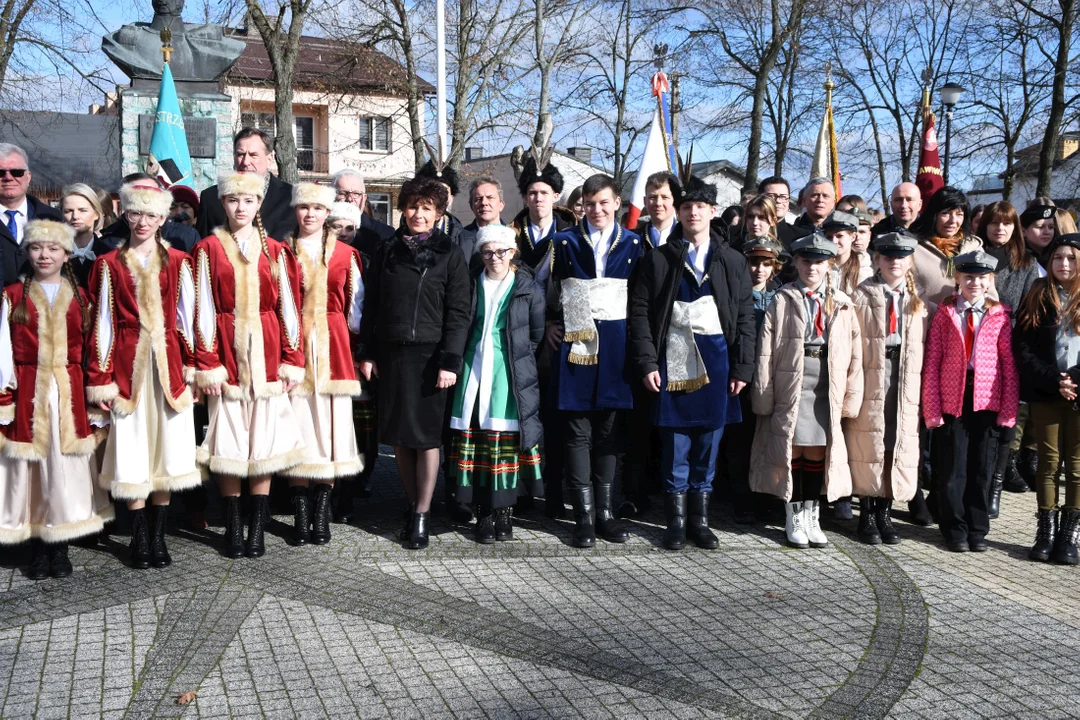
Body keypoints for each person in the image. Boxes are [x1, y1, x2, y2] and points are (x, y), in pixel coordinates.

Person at [629, 175, 755, 550]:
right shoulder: (659, 259)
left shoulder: (732, 260)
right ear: (678, 212)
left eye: (700, 206)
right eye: (687, 207)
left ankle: (700, 520)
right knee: (676, 445)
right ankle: (676, 522)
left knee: (708, 444)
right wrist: (647, 362)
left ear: (713, 212)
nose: (693, 212)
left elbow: (745, 316)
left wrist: (742, 368)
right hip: (673, 360)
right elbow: (639, 313)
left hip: (717, 362)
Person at [192, 172, 308, 559]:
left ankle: (256, 526)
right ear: (223, 204)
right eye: (232, 201)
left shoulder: (276, 251)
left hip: (268, 353)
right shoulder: (207, 248)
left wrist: (293, 360)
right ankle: (232, 525)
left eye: (247, 201)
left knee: (264, 442)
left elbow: (289, 308)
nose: (239, 207)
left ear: (258, 204)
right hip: (226, 354)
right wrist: (208, 362)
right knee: (227, 441)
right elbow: (201, 308)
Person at [86, 182, 200, 570]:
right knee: (132, 447)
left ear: (164, 218)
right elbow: (101, 323)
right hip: (126, 366)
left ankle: (158, 533)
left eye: (151, 215)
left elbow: (190, 320)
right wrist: (99, 376)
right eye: (136, 213)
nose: (143, 222)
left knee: (166, 446)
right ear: (125, 214)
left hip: (168, 367)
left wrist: (195, 370)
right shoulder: (109, 264)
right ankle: (138, 534)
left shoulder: (180, 261)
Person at [357, 176, 471, 550]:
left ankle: (422, 512)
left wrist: (450, 361)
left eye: (427, 208)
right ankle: (411, 504)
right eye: (412, 206)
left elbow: (458, 312)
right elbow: (371, 305)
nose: (418, 214)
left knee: (425, 438)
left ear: (438, 214)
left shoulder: (449, 253)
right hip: (392, 355)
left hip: (431, 357)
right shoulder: (387, 249)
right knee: (400, 438)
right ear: (402, 208)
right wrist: (370, 353)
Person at [0, 220, 111, 579]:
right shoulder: (12, 296)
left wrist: (96, 392)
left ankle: (60, 544)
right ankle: (36, 544)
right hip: (30, 390)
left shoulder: (82, 298)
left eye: (53, 248)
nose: (44, 255)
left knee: (64, 466)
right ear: (27, 252)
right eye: (36, 248)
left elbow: (95, 348)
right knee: (32, 468)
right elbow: (2, 351)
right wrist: (5, 394)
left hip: (69, 392)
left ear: (66, 255)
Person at [750, 232, 863, 549]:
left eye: (819, 262)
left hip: (826, 385)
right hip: (793, 384)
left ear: (829, 264)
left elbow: (855, 354)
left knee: (817, 450)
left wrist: (850, 397)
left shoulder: (841, 303)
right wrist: (764, 393)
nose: (812, 267)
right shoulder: (783, 299)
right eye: (806, 261)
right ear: (796, 263)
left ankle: (813, 514)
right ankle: (793, 515)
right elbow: (765, 352)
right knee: (793, 449)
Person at [551, 173, 645, 548]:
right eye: (590, 204)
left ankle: (606, 513)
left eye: (604, 202)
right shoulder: (564, 242)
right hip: (575, 343)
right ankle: (583, 516)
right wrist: (547, 324)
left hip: (616, 346)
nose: (597, 210)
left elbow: (641, 300)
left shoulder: (636, 244)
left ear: (617, 203)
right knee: (577, 430)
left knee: (609, 429)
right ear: (581, 206)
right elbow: (550, 288)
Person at [279, 183, 365, 545]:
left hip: (333, 348)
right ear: (296, 211)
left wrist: (358, 352)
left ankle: (322, 512)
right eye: (304, 207)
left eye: (317, 207)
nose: (310, 214)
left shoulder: (347, 254)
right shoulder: (281, 252)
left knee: (330, 430)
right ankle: (300, 512)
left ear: (327, 212)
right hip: (294, 345)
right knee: (298, 429)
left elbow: (357, 309)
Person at [448, 226, 544, 542]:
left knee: (503, 438)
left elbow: (535, 333)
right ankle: (484, 513)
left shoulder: (527, 286)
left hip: (509, 372)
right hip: (473, 369)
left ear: (512, 252)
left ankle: (504, 512)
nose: (494, 258)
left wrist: (514, 360)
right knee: (478, 440)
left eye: (501, 251)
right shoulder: (473, 283)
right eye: (488, 252)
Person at [923, 249, 1018, 553]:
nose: (974, 282)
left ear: (991, 280)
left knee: (982, 466)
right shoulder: (945, 313)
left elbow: (1008, 364)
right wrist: (932, 406)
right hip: (954, 395)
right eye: (968, 277)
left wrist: (1008, 410)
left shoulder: (1001, 314)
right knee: (953, 466)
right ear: (958, 279)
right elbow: (933, 362)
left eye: (981, 277)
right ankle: (954, 528)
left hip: (988, 397)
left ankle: (978, 528)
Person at [848, 233, 928, 545]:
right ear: (878, 260)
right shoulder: (862, 294)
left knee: (896, 442)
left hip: (903, 377)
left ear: (909, 261)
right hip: (872, 374)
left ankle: (885, 510)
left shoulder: (917, 299)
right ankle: (866, 512)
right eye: (888, 256)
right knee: (871, 442)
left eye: (901, 256)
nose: (895, 262)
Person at [510, 155, 576, 518]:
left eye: (544, 192)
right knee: (523, 413)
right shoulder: (511, 234)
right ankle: (522, 489)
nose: (538, 199)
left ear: (556, 195)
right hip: (521, 336)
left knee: (554, 416)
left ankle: (553, 491)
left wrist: (556, 322)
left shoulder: (570, 234)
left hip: (556, 338)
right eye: (532, 192)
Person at [1015, 234, 1080, 564]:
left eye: (1071, 257)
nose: (1064, 264)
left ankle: (1069, 535)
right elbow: (1024, 348)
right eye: (1057, 258)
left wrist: (1076, 380)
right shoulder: (1039, 294)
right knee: (1049, 464)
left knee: (1078, 468)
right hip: (1047, 392)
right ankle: (1046, 532)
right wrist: (1056, 380)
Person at [977, 201, 1043, 503]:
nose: (999, 228)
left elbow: (1031, 314)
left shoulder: (1026, 264)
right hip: (973, 350)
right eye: (994, 222)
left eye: (1006, 223)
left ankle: (994, 489)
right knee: (977, 422)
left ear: (1015, 227)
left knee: (1005, 423)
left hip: (1009, 351)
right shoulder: (972, 258)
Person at [722, 236, 781, 523]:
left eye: (766, 263)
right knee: (740, 441)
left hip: (771, 379)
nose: (759, 269)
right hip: (742, 375)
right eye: (753, 262)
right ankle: (741, 497)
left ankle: (767, 497)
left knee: (769, 440)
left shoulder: (781, 297)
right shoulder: (733, 293)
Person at [327, 200, 379, 507]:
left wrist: (365, 351)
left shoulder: (362, 260)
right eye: (337, 227)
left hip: (354, 351)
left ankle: (351, 489)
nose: (344, 233)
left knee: (358, 428)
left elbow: (365, 310)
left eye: (350, 228)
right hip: (328, 349)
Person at [195, 128, 297, 241]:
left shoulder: (291, 198)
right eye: (240, 154)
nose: (245, 162)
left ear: (270, 159)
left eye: (253, 155)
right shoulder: (211, 197)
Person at [0, 143, 63, 287]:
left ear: (28, 177)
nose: (8, 178)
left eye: (17, 172)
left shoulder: (55, 219)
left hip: (42, 306)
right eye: (0, 172)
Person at [911, 186, 982, 305]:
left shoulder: (974, 247)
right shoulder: (914, 247)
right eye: (945, 213)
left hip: (967, 321)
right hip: (926, 319)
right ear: (933, 215)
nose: (953, 220)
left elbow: (989, 290)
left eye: (959, 214)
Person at [101, 174, 200, 253]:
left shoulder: (187, 236)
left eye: (152, 193)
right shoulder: (108, 242)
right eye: (137, 194)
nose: (145, 200)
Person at [415, 160, 476, 264]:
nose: (439, 197)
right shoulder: (400, 240)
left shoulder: (467, 240)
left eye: (444, 191)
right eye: (433, 190)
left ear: (451, 198)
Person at [331, 168, 395, 258]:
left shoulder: (384, 234)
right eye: (343, 193)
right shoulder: (318, 230)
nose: (349, 199)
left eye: (356, 194)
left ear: (364, 198)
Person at [60, 184, 111, 288]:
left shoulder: (110, 256)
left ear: (96, 214)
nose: (75, 216)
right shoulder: (51, 255)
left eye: (82, 210)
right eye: (68, 211)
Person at [824, 210, 872, 295]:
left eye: (839, 236)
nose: (834, 241)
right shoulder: (818, 266)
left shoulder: (864, 269)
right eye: (829, 237)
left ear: (853, 237)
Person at [634, 172, 679, 249]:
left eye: (665, 197)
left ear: (676, 201)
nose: (658, 203)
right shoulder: (633, 239)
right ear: (645, 201)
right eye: (652, 197)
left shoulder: (688, 238)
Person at [758, 176, 797, 247]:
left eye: (783, 197)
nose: (778, 201)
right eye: (771, 196)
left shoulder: (799, 237)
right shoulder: (742, 233)